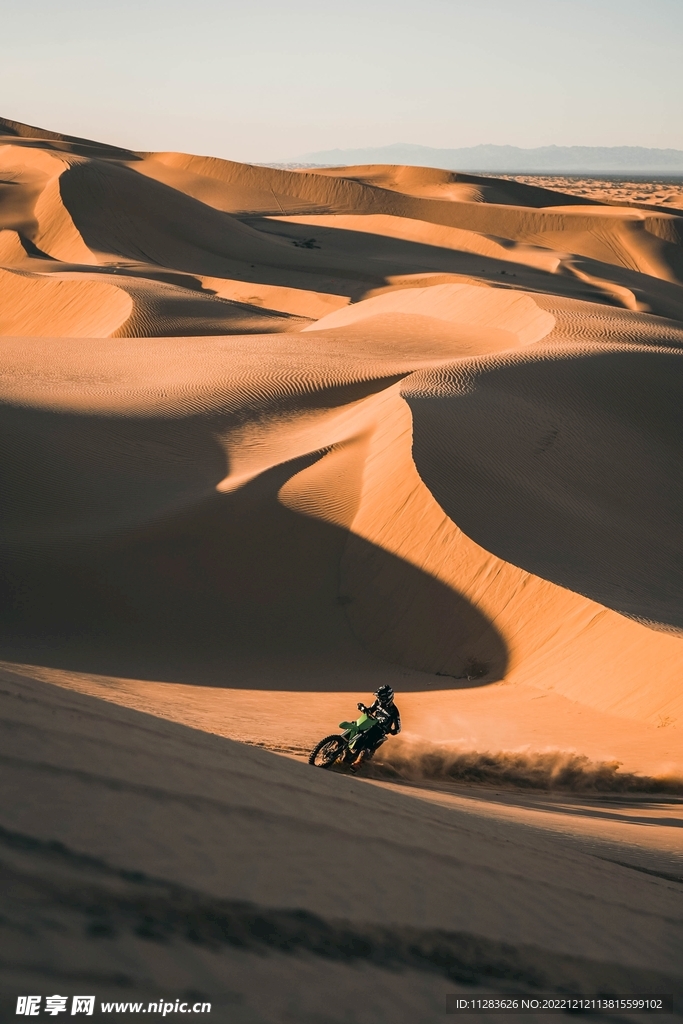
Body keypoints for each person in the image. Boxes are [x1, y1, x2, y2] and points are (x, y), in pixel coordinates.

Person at [350, 685, 401, 769]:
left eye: (382, 698)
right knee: (355, 725)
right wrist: (363, 708)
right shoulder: (377, 702)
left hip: (380, 731)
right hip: (371, 723)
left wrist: (390, 730)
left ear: (389, 698)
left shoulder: (394, 711)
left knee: (368, 742)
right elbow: (370, 710)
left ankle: (358, 763)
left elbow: (398, 729)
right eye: (379, 697)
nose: (380, 700)